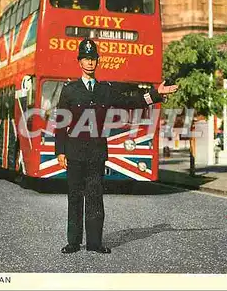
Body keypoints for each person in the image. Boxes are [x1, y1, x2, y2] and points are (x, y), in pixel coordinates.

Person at [55, 38, 178, 254]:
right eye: (86, 59)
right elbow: (61, 123)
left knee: (95, 198)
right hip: (74, 152)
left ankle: (95, 243)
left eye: (93, 59)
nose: (90, 63)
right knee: (75, 197)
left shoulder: (105, 90)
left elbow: (132, 102)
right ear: (80, 62)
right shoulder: (70, 90)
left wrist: (157, 94)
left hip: (96, 153)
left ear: (97, 62)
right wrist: (60, 151)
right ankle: (73, 242)